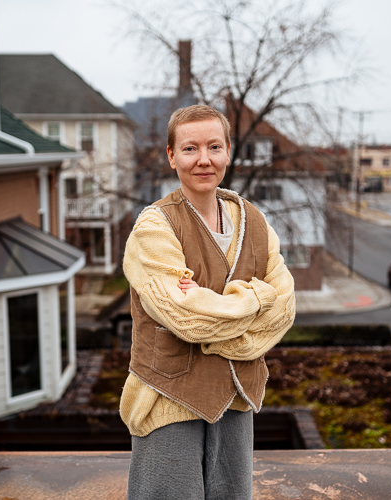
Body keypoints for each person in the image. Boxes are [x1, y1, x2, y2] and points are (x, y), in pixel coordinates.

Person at [121, 104, 296, 499]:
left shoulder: (255, 221)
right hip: (168, 398)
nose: (204, 160)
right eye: (190, 149)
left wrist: (215, 311)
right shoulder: (153, 228)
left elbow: (283, 310)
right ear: (171, 156)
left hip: (237, 396)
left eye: (214, 147)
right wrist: (258, 297)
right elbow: (186, 319)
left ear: (228, 152)